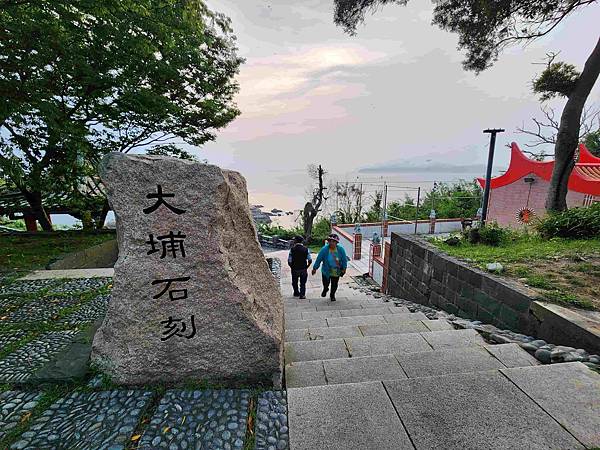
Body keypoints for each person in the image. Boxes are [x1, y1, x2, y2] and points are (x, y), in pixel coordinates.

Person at [311, 233, 348, 301]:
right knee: (325, 283)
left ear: (336, 242)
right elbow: (319, 259)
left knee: (334, 284)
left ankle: (332, 295)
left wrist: (344, 268)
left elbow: (344, 260)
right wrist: (314, 268)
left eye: (333, 241)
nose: (331, 242)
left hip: (336, 270)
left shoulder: (340, 249)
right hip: (326, 270)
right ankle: (325, 289)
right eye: (330, 241)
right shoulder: (324, 249)